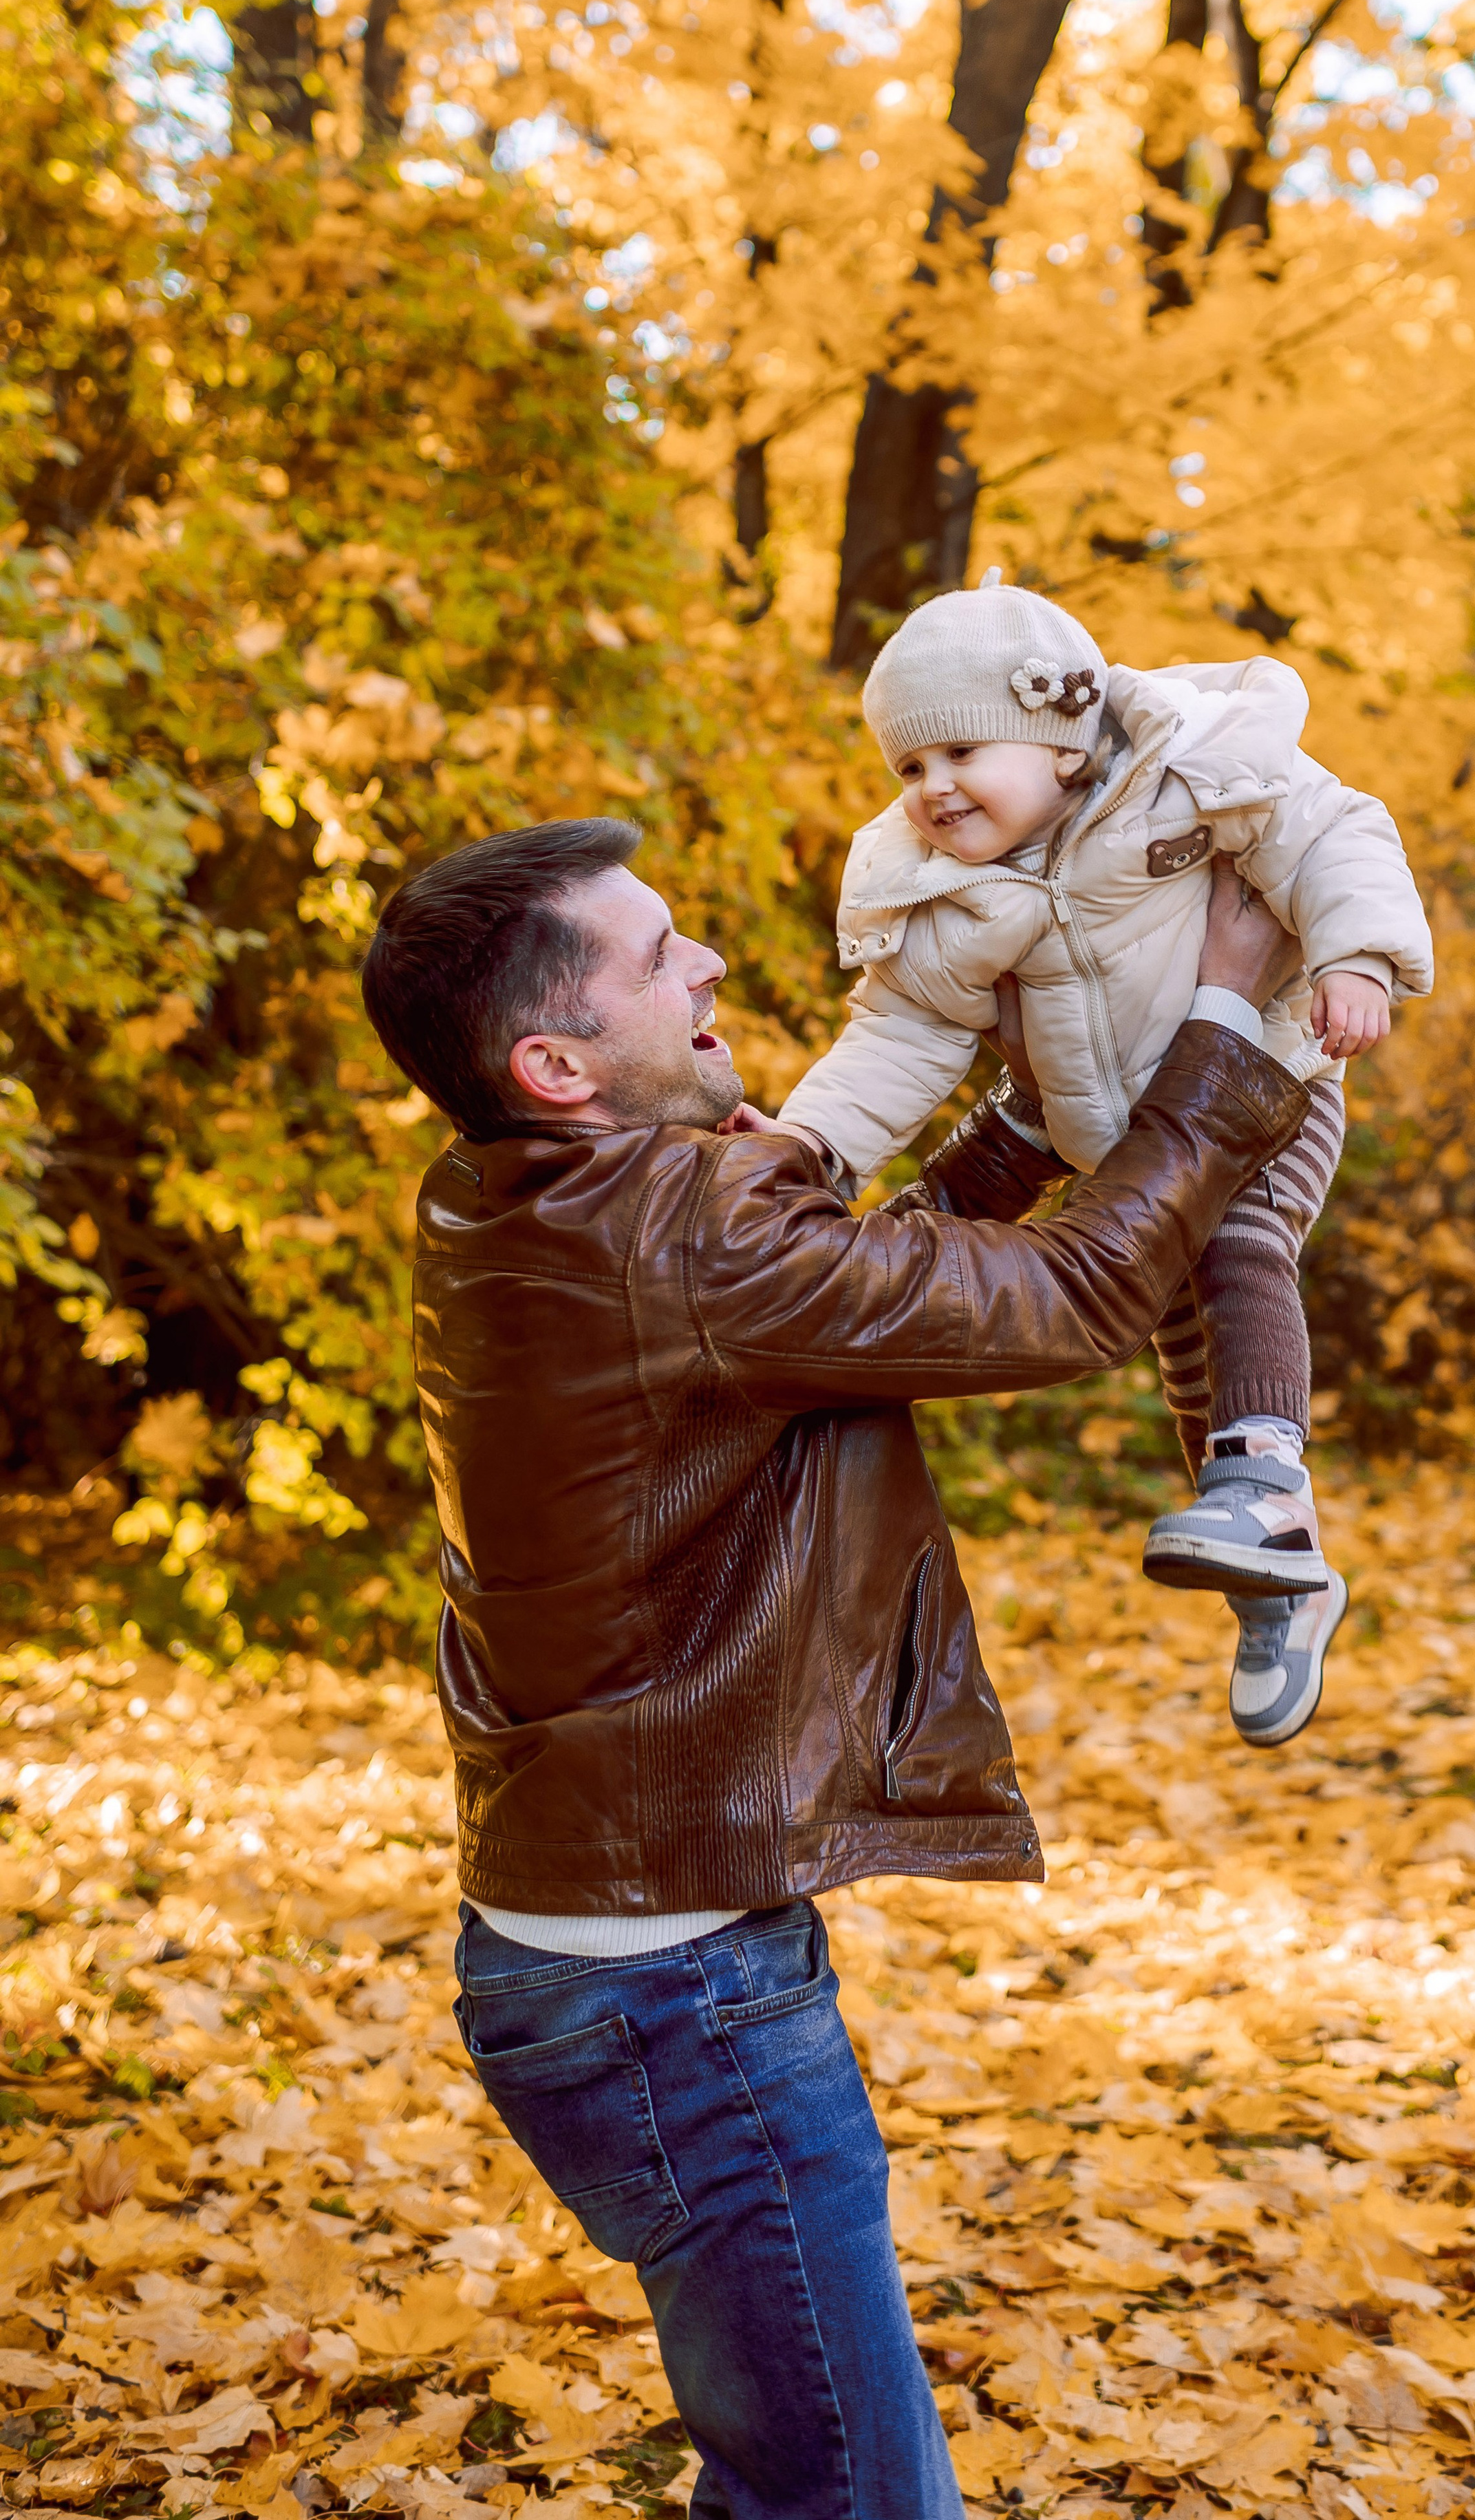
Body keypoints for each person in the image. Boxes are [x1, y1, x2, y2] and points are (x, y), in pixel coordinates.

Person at [358, 813, 1309, 2520]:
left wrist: (1021, 1116)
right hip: (678, 2000)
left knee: (808, 2485)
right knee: (858, 2504)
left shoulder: (506, 1198)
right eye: (659, 956)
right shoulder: (680, 1238)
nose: (707, 961)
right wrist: (1220, 1029)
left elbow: (847, 1291)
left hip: (607, 1963)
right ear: (555, 1059)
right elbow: (1081, 1296)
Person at [775, 577, 1434, 1747]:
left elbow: (1333, 832)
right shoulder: (938, 891)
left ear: (1061, 738)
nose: (932, 791)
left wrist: (1359, 959)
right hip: (1124, 1142)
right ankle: (1275, 1575)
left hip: (1267, 1082)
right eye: (907, 771)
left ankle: (1268, 1498)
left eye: (961, 752)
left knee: (1240, 1248)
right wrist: (806, 1145)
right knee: (1189, 1352)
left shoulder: (1188, 768)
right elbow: (899, 1034)